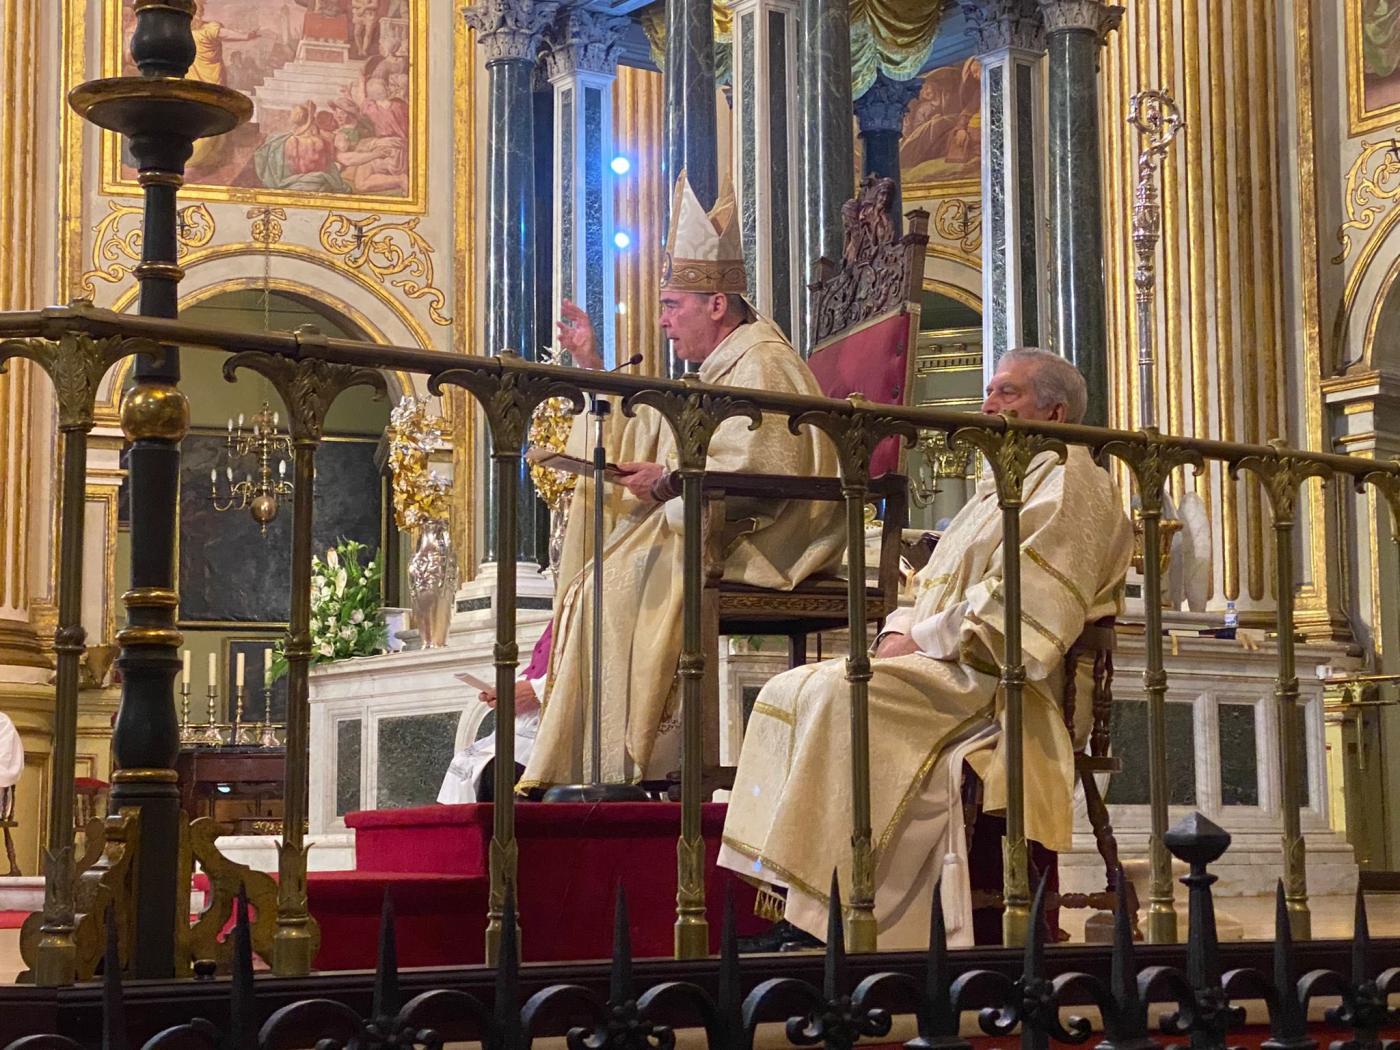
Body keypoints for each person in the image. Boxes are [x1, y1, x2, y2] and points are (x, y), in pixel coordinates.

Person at [718, 348, 1134, 950]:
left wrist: (922, 638)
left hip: (1009, 684)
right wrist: (898, 631)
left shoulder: (1073, 483)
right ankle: (801, 905)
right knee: (790, 688)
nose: (987, 406)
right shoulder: (1001, 485)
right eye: (988, 392)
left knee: (843, 697)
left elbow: (1025, 608)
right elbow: (930, 584)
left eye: (1008, 393)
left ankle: (841, 919)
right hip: (950, 663)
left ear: (1056, 411)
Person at [513, 171, 846, 793]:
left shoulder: (763, 363)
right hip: (717, 523)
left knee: (609, 587)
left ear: (716, 304)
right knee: (596, 580)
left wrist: (668, 483)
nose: (663, 321)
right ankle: (610, 763)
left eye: (672, 306)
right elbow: (665, 430)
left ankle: (627, 765)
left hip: (772, 539)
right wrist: (594, 371)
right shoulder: (726, 365)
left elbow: (766, 467)